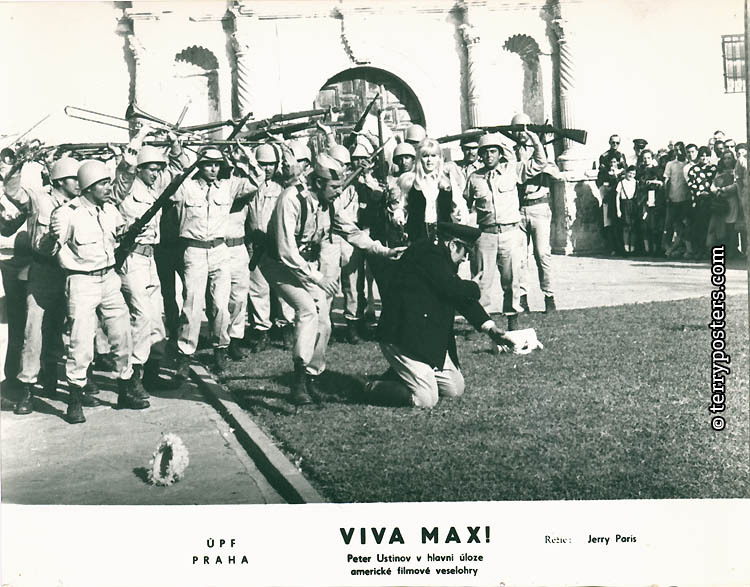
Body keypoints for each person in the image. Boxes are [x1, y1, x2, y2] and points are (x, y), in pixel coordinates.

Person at [258, 153, 404, 406]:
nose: (339, 192)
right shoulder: (291, 199)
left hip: (306, 265)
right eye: (335, 186)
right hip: (278, 264)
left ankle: (313, 378)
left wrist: (383, 250)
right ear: (318, 183)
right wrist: (318, 278)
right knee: (307, 310)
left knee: (324, 322)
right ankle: (299, 381)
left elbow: (351, 231)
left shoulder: (329, 202)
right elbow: (285, 250)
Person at [365, 221, 514, 408]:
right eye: (465, 252)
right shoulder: (428, 254)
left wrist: (490, 328)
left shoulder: (439, 257)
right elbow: (452, 288)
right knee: (426, 399)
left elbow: (458, 296)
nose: (464, 259)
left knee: (455, 388)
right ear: (453, 245)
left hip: (421, 337)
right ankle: (369, 388)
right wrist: (474, 287)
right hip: (401, 338)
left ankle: (403, 374)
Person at [49, 160, 148, 423]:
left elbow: (118, 235)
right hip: (81, 281)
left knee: (122, 335)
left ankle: (125, 390)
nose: (108, 188)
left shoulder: (109, 210)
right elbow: (51, 247)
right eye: (103, 184)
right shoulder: (67, 214)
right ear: (89, 186)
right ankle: (74, 398)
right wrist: (49, 240)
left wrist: (132, 231)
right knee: (80, 341)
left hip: (109, 278)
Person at [170, 148, 257, 377]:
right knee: (192, 304)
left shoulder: (228, 186)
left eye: (217, 164)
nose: (214, 169)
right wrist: (178, 152)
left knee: (221, 305)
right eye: (209, 164)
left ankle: (220, 349)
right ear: (199, 166)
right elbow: (174, 180)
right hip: (195, 250)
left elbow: (255, 182)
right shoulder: (186, 187)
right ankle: (185, 354)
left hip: (220, 250)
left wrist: (247, 158)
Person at [5, 157, 79, 414]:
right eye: (73, 179)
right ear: (59, 181)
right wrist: (16, 165)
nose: (79, 183)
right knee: (33, 330)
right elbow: (13, 191)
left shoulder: (82, 203)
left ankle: (56, 376)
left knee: (69, 327)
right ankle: (27, 388)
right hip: (43, 271)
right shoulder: (39, 198)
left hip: (71, 271)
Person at [114, 133, 187, 394]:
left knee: (156, 318)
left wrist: (175, 145)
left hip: (150, 258)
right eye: (151, 170)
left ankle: (152, 372)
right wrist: (139, 137)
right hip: (131, 257)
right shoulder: (125, 188)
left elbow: (180, 172)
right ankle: (132, 375)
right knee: (142, 317)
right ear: (140, 169)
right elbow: (124, 170)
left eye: (158, 170)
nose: (156, 174)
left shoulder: (153, 189)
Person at [464, 131, 546, 331]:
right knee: (481, 282)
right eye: (485, 152)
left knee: (512, 280)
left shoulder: (512, 170)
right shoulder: (474, 178)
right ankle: (481, 323)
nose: (489, 155)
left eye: (493, 151)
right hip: (486, 235)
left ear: (500, 153)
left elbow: (540, 162)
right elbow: (465, 204)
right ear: (480, 155)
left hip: (510, 234)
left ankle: (512, 320)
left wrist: (534, 138)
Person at [389, 138, 468, 245]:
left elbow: (460, 205)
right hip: (417, 238)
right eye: (425, 156)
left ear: (439, 158)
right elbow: (401, 207)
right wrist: (399, 216)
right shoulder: (410, 181)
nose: (429, 160)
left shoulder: (447, 180)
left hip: (444, 238)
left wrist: (460, 217)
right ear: (419, 158)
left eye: (433, 156)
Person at [516, 136, 561, 312]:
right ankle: (522, 298)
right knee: (520, 257)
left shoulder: (543, 157)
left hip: (539, 207)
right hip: (519, 209)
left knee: (542, 254)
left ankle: (549, 296)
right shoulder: (513, 156)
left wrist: (537, 163)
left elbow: (555, 173)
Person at [685, 146, 717, 260]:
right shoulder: (693, 169)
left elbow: (716, 182)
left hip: (712, 201)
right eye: (702, 156)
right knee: (699, 226)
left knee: (711, 227)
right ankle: (699, 250)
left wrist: (710, 193)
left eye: (707, 156)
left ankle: (710, 251)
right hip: (698, 202)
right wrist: (700, 193)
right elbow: (691, 184)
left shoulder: (714, 168)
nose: (704, 158)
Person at [662, 141, 692, 258]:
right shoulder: (670, 164)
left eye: (680, 149)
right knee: (669, 224)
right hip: (672, 199)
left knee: (684, 225)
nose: (678, 152)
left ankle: (684, 248)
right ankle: (667, 248)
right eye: (676, 150)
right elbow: (666, 181)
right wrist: (667, 196)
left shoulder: (689, 164)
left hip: (686, 200)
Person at [636, 149, 665, 256]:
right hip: (643, 199)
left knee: (655, 224)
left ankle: (657, 249)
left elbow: (663, 183)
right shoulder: (640, 171)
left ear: (652, 158)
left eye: (648, 158)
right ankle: (647, 249)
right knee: (644, 225)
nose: (646, 160)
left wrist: (653, 182)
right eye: (644, 158)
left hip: (656, 199)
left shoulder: (658, 170)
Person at [597, 157, 624, 255]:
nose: (613, 164)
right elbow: (602, 186)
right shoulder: (605, 174)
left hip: (619, 201)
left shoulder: (621, 173)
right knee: (609, 225)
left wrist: (616, 175)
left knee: (619, 224)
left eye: (614, 162)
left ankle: (621, 247)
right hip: (609, 201)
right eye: (611, 162)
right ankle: (612, 247)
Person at [616, 166, 639, 254]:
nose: (631, 175)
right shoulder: (621, 183)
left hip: (633, 204)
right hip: (624, 204)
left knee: (633, 227)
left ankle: (632, 248)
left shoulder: (636, 182)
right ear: (626, 172)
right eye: (630, 173)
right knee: (626, 227)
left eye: (633, 174)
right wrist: (618, 210)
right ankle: (626, 248)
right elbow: (617, 197)